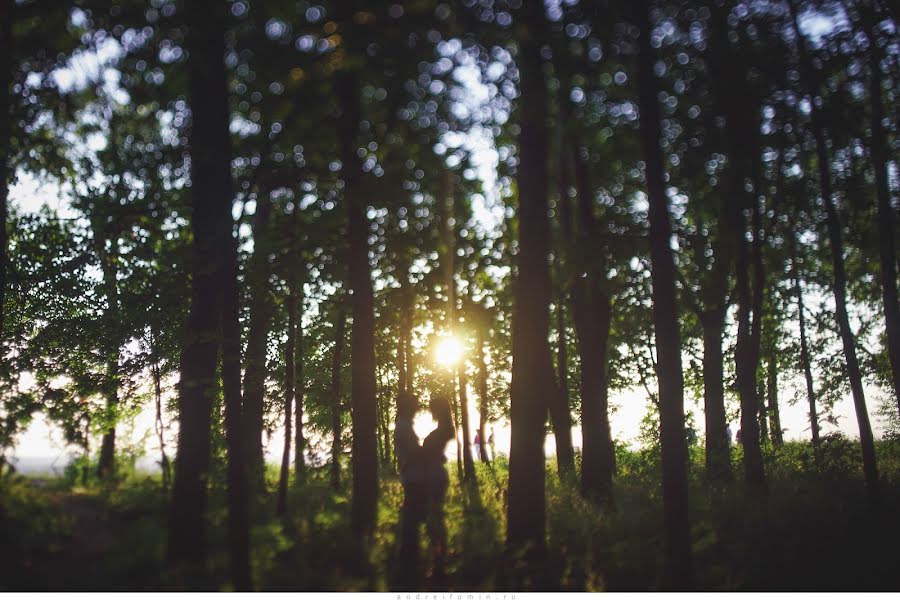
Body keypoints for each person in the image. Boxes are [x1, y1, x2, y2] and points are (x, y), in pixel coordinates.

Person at [394, 391, 454, 579]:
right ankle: (433, 560)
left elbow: (423, 453)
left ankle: (437, 561)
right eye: (415, 405)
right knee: (429, 518)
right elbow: (420, 454)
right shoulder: (409, 427)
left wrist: (429, 454)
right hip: (427, 477)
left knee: (432, 518)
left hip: (432, 477)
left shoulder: (442, 430)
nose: (422, 409)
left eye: (431, 408)